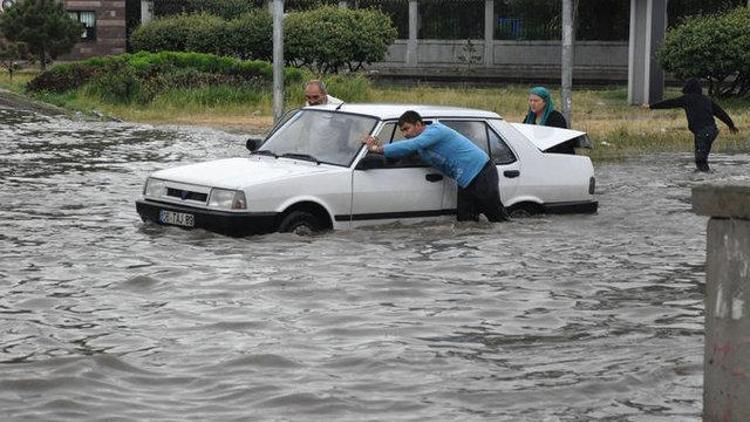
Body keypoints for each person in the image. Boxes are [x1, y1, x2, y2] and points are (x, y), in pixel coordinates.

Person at [363, 111, 509, 223]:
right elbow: (402, 152)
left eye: (406, 129)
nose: (404, 134)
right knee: (465, 221)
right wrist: (377, 148)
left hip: (481, 171)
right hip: (465, 180)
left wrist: (377, 148)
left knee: (497, 217)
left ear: (419, 124)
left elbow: (411, 145)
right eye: (402, 131)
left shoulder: (435, 131)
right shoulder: (421, 146)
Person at [645, 78, 739, 172]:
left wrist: (651, 106)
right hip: (712, 131)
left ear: (687, 88)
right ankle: (703, 178)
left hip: (703, 132)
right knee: (701, 158)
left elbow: (669, 103)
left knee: (700, 160)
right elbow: (720, 113)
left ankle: (706, 181)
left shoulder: (687, 99)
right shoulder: (706, 99)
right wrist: (731, 125)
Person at [524, 86, 574, 154]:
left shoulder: (556, 118)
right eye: (530, 100)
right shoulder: (529, 118)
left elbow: (560, 142)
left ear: (545, 102)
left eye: (536, 101)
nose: (532, 103)